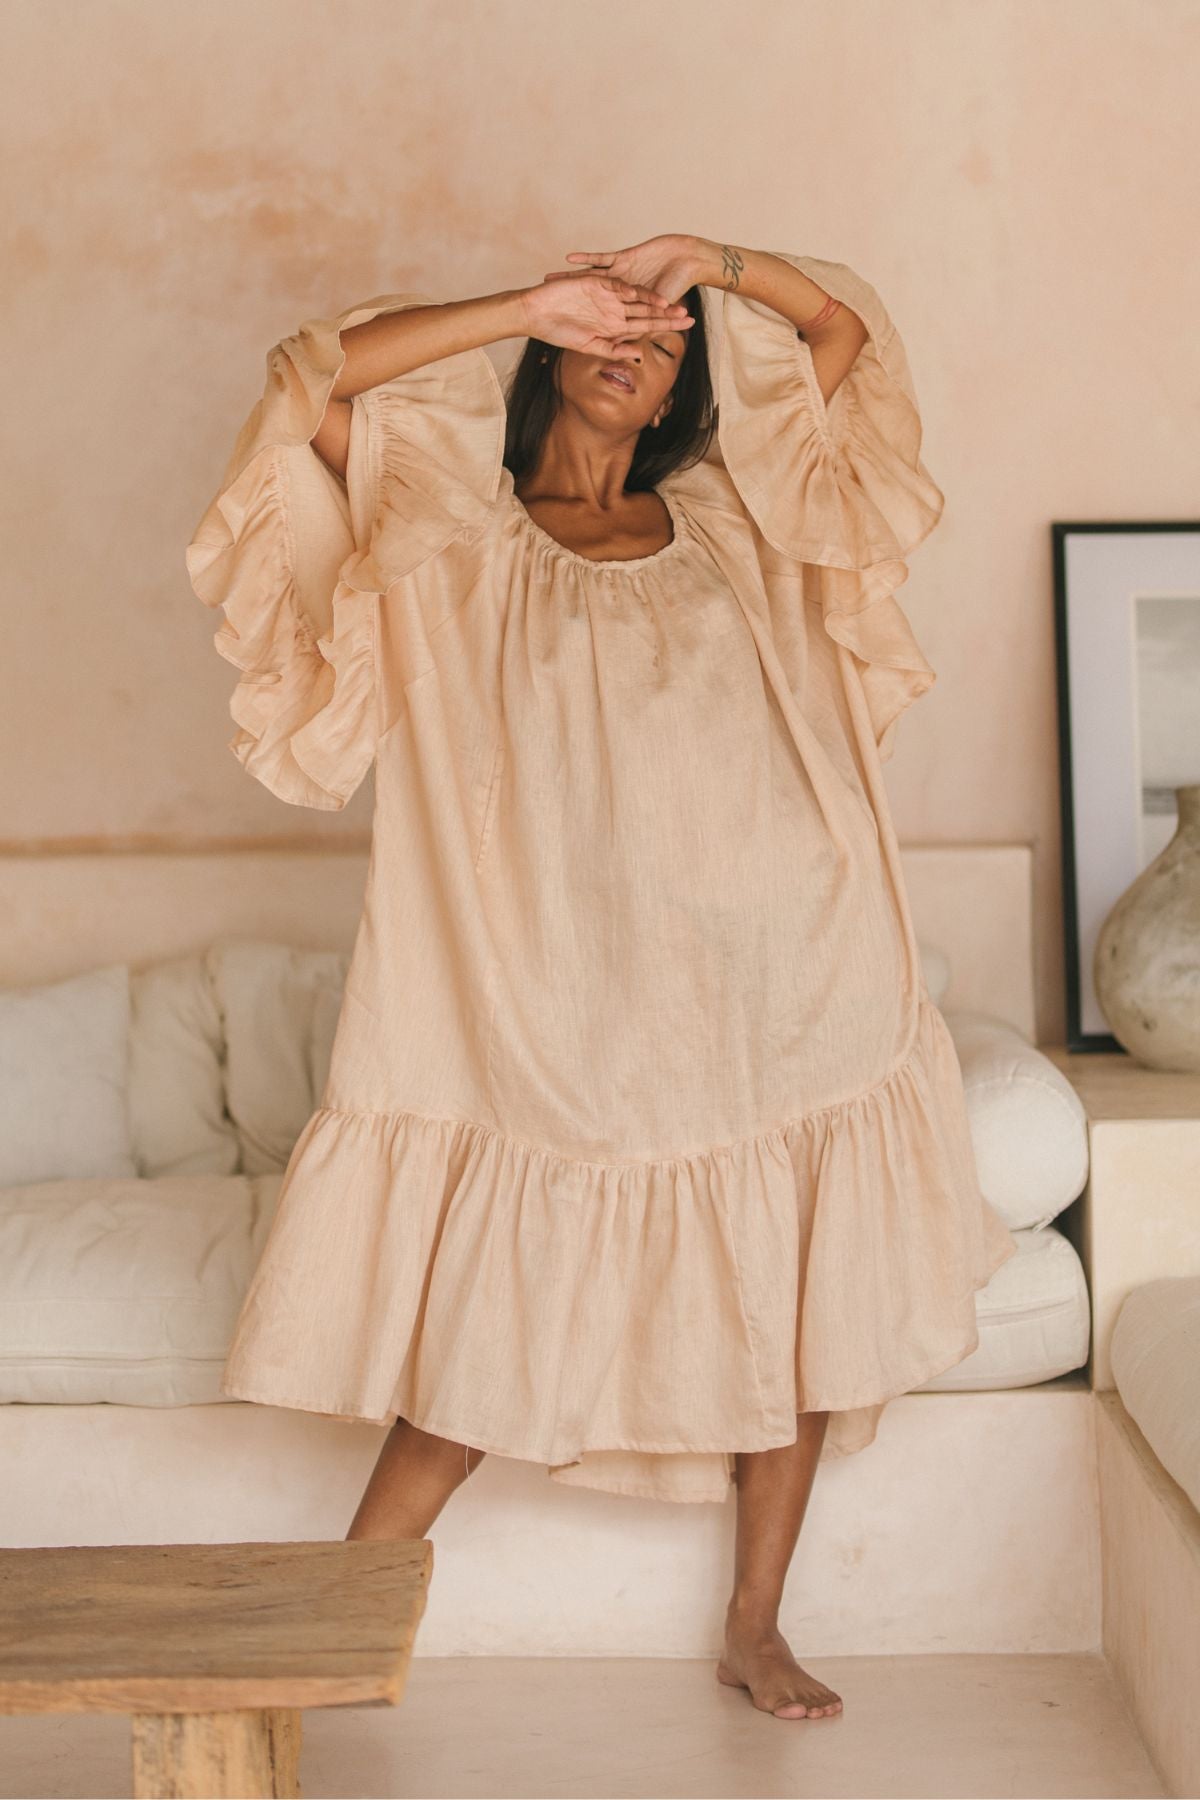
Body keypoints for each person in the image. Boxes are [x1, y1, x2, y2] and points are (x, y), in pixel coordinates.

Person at [185, 233, 1016, 1721]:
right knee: (486, 1330)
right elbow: (303, 378)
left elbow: (843, 345)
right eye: (609, 318)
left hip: (784, 973)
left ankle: (756, 1622)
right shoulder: (442, 528)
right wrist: (525, 300)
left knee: (802, 1296)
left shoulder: (740, 518)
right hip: (551, 1003)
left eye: (669, 336)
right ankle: (313, 1630)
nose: (639, 339)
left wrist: (717, 261)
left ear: (686, 396)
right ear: (554, 349)